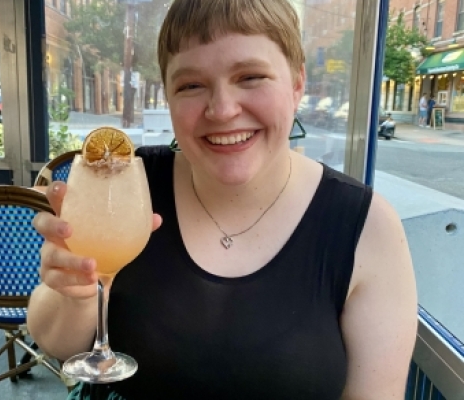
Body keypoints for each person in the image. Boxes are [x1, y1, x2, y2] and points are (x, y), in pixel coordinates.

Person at [27, 1, 418, 399]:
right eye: (191, 85)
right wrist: (73, 292)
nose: (223, 110)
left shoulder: (367, 228)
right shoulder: (131, 185)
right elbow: (59, 344)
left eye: (250, 77)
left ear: (297, 84)